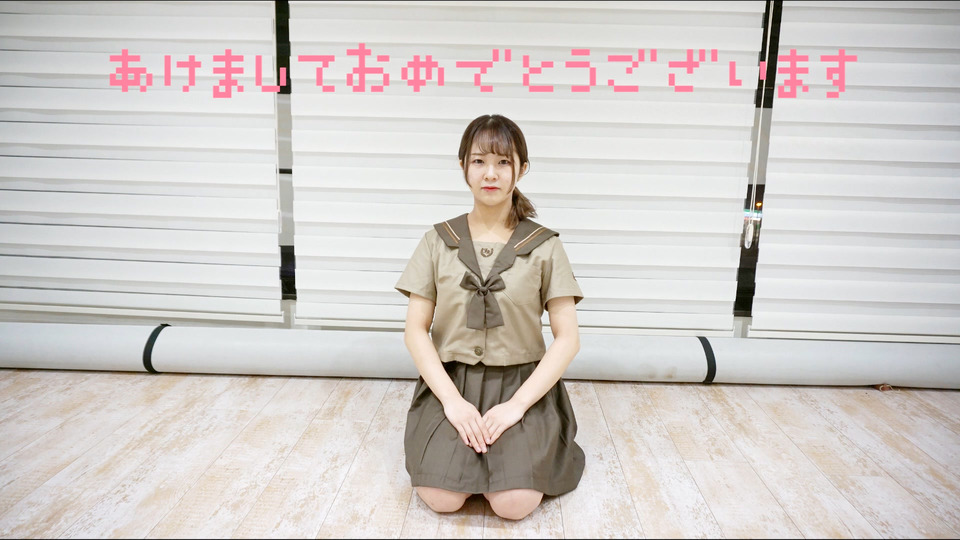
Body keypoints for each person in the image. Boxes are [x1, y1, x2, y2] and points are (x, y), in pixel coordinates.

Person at [394, 114, 585, 521]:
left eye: (503, 162)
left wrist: (516, 406)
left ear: (522, 169)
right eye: (479, 161)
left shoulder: (545, 246)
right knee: (441, 497)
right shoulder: (436, 241)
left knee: (514, 504)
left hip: (521, 384)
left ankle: (519, 454)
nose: (490, 174)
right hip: (450, 381)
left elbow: (568, 338)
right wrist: (451, 401)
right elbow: (415, 331)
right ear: (463, 166)